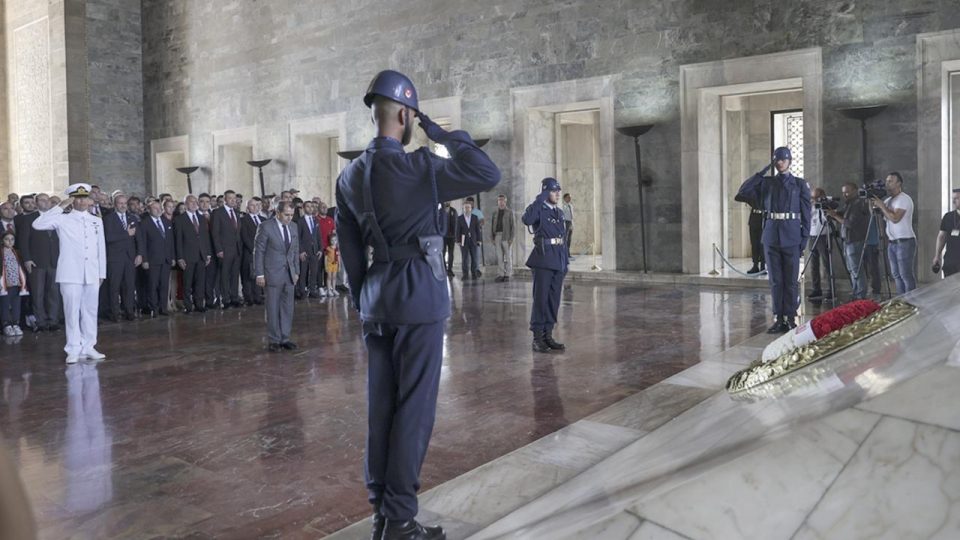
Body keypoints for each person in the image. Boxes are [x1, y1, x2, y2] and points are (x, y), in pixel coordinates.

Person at [336, 69, 500, 540]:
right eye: (413, 117)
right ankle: (401, 520)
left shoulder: (349, 176)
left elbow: (351, 256)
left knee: (381, 408)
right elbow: (487, 173)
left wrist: (368, 293)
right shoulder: (419, 166)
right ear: (406, 114)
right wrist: (443, 133)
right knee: (415, 410)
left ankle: (381, 514)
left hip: (376, 297)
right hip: (419, 296)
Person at [737, 147, 811, 334]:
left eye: (783, 160)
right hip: (771, 236)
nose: (780, 163)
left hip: (792, 235)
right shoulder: (767, 183)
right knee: (776, 281)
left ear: (790, 161)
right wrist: (763, 171)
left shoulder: (799, 184)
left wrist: (804, 239)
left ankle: (791, 317)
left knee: (791, 281)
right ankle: (779, 318)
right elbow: (743, 191)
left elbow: (806, 214)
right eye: (777, 160)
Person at [32, 184, 107, 363]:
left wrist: (101, 272)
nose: (82, 201)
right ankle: (73, 348)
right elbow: (37, 224)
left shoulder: (96, 220)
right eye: (77, 198)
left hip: (92, 272)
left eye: (84, 198)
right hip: (70, 272)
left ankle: (89, 346)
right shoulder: (62, 218)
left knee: (90, 310)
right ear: (72, 200)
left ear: (89, 200)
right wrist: (60, 206)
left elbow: (100, 248)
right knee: (71, 311)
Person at [523, 178, 569, 353]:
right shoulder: (538, 209)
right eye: (553, 190)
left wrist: (565, 262)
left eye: (558, 190)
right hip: (543, 261)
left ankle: (548, 335)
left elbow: (562, 239)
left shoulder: (559, 212)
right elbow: (527, 220)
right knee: (541, 300)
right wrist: (538, 200)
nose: (557, 193)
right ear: (544, 192)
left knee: (553, 300)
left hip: (558, 260)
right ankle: (537, 338)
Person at [253, 201, 299, 352]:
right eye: (286, 215)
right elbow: (258, 251)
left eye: (291, 215)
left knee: (288, 308)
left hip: (290, 274)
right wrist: (259, 273)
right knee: (272, 307)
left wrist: (297, 271)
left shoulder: (294, 226)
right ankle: (274, 340)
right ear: (277, 213)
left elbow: (295, 250)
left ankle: (285, 338)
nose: (289, 218)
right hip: (272, 273)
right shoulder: (265, 226)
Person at [17, 194, 60, 331]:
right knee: (38, 293)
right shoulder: (28, 218)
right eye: (42, 200)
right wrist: (27, 259)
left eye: (47, 200)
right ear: (36, 203)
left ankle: (53, 321)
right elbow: (23, 241)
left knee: (53, 293)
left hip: (54, 260)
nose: (45, 202)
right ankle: (41, 322)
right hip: (36, 262)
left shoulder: (57, 217)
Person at [871, 172, 917, 294]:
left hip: (905, 241)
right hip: (892, 242)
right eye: (886, 181)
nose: (887, 183)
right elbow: (875, 214)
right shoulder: (888, 200)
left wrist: (881, 206)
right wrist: (874, 202)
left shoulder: (904, 199)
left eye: (890, 181)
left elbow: (895, 218)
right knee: (896, 275)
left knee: (905, 274)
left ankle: (912, 302)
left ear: (899, 183)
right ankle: (901, 301)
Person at [826, 183, 872, 299]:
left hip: (855, 240)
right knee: (852, 269)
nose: (844, 195)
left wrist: (835, 216)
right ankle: (857, 292)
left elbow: (849, 223)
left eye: (847, 192)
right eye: (843, 192)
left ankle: (860, 294)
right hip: (847, 241)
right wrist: (834, 213)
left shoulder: (858, 204)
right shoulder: (849, 204)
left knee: (856, 269)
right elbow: (843, 215)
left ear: (855, 191)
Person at [102, 195, 140, 322]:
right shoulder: (108, 219)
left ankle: (129, 311)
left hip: (130, 258)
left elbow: (138, 239)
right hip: (115, 258)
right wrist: (126, 234)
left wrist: (139, 254)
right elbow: (108, 238)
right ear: (114, 204)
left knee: (129, 286)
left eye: (125, 203)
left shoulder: (132, 218)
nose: (123, 205)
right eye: (120, 203)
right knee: (114, 287)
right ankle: (115, 313)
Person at [174, 195, 212, 313]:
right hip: (187, 256)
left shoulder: (201, 218)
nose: (194, 204)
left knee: (200, 282)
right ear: (185, 204)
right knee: (187, 283)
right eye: (191, 202)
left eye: (196, 202)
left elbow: (205, 237)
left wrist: (208, 254)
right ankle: (188, 306)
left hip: (201, 255)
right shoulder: (179, 219)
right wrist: (180, 257)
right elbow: (178, 240)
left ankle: (199, 304)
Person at [137, 201, 175, 317]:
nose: (158, 210)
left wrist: (173, 257)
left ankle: (163, 307)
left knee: (164, 285)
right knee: (152, 285)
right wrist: (144, 260)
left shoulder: (166, 222)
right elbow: (142, 243)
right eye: (155, 208)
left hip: (166, 260)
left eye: (159, 208)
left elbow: (171, 242)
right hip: (152, 260)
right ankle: (154, 308)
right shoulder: (144, 224)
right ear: (149, 210)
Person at [211, 190, 243, 308]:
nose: (233, 200)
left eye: (234, 198)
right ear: (225, 199)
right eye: (230, 198)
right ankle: (225, 299)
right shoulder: (218, 212)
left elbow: (237, 232)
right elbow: (215, 233)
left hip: (236, 250)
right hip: (224, 250)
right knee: (224, 275)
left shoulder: (236, 212)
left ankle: (234, 297)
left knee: (235, 275)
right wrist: (219, 249)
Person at [806, 187, 834, 300]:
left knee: (827, 264)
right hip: (812, 236)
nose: (814, 200)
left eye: (816, 197)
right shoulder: (810, 207)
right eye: (812, 197)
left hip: (824, 236)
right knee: (814, 265)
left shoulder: (828, 204)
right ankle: (816, 289)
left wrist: (823, 205)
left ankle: (830, 290)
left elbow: (827, 218)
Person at [1, 231, 28, 336]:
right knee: (5, 305)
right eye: (7, 239)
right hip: (5, 285)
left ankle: (15, 324)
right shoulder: (1, 252)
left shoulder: (16, 252)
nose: (10, 241)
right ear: (3, 241)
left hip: (17, 283)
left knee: (16, 305)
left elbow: (20, 267)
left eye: (12, 239)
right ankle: (6, 325)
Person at [239, 199, 264, 305]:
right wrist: (255, 250)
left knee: (258, 275)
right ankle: (248, 298)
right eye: (252, 205)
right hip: (249, 252)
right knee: (248, 276)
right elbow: (245, 237)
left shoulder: (263, 219)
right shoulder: (243, 220)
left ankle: (257, 297)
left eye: (257, 205)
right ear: (247, 207)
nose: (255, 207)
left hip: (262, 253)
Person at [296, 200, 322, 299]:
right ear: (303, 208)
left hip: (315, 250)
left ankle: (312, 290)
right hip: (305, 251)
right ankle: (302, 290)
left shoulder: (316, 220)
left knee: (314, 271)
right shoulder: (300, 221)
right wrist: (301, 251)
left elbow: (318, 236)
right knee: (303, 271)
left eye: (312, 207)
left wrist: (320, 249)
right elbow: (298, 237)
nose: (310, 208)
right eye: (308, 206)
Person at [933, 188, 960, 278]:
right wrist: (937, 255)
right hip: (950, 261)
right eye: (953, 198)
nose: (953, 201)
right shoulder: (948, 216)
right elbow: (941, 237)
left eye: (956, 198)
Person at [491, 194, 515, 282]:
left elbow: (513, 226)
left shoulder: (509, 212)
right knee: (499, 257)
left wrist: (511, 238)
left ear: (505, 201)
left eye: (502, 200)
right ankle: (501, 274)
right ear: (498, 202)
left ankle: (507, 274)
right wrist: (492, 237)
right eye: (499, 200)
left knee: (508, 257)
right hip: (497, 236)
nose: (501, 202)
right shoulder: (495, 212)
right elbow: (492, 225)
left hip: (506, 236)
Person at [456, 199, 482, 279]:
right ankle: (465, 274)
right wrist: (458, 241)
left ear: (471, 208)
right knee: (464, 258)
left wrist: (479, 240)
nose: (467, 209)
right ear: (463, 208)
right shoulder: (460, 218)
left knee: (474, 257)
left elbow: (478, 230)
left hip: (473, 240)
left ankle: (474, 273)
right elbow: (457, 230)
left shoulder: (475, 217)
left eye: (468, 207)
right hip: (463, 240)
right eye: (465, 208)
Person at [317, 201, 336, 294]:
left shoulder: (330, 220)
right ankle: (320, 286)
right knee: (319, 268)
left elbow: (334, 233)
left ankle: (327, 287)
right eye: (322, 207)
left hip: (330, 249)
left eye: (325, 207)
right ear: (318, 208)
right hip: (320, 248)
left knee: (328, 269)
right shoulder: (315, 219)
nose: (324, 208)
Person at [442, 202, 457, 277]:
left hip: (452, 236)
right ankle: (444, 269)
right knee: (443, 253)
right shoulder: (440, 211)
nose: (447, 202)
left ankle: (450, 270)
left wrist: (456, 235)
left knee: (451, 253)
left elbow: (456, 223)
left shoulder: (453, 211)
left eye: (448, 201)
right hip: (443, 236)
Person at [324, 232, 340, 296]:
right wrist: (325, 265)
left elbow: (338, 257)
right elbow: (325, 258)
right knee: (329, 277)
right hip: (329, 264)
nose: (334, 242)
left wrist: (339, 265)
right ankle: (328, 290)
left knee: (334, 277)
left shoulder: (337, 249)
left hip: (335, 264)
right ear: (330, 241)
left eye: (335, 240)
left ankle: (334, 289)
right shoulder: (328, 248)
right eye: (332, 240)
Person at [561, 193, 574, 258]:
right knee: (565, 239)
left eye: (570, 197)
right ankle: (564, 253)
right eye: (568, 197)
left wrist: (572, 224)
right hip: (565, 222)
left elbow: (572, 216)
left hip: (570, 222)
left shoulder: (571, 206)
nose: (570, 199)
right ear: (565, 198)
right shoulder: (563, 206)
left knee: (569, 239)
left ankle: (568, 253)